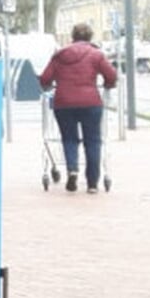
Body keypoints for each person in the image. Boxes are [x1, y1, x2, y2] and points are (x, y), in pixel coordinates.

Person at [39, 22, 117, 194]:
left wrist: (49, 85)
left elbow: (45, 78)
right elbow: (111, 75)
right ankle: (92, 183)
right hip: (91, 102)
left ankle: (72, 170)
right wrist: (108, 84)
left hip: (64, 102)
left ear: (73, 37)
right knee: (93, 140)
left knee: (69, 139)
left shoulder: (59, 56)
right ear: (90, 37)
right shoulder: (96, 55)